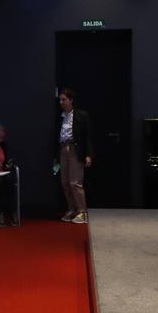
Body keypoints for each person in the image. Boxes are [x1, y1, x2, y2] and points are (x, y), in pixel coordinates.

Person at [55, 88, 94, 223]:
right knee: (65, 183)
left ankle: (82, 212)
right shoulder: (60, 116)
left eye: (64, 99)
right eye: (60, 100)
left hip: (75, 150)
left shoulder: (81, 115)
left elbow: (87, 136)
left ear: (71, 100)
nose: (61, 102)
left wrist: (88, 154)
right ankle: (72, 210)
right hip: (62, 149)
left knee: (75, 183)